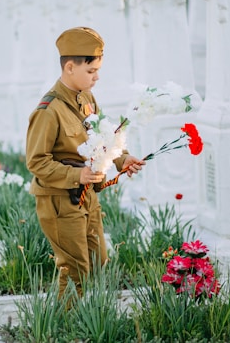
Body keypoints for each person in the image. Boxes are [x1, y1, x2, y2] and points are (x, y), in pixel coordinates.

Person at [26, 26, 145, 299]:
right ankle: (66, 331)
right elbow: (36, 162)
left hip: (86, 196)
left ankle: (89, 324)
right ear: (70, 67)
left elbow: (102, 138)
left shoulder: (88, 100)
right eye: (91, 71)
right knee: (76, 269)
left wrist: (122, 159)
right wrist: (75, 176)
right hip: (59, 200)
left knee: (98, 261)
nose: (97, 77)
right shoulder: (48, 111)